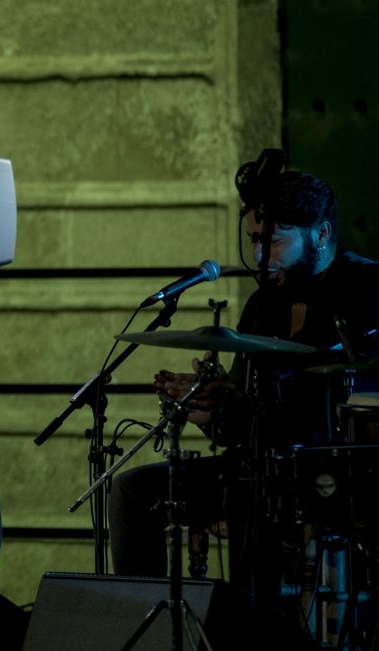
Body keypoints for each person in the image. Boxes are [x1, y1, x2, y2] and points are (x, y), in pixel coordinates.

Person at [109, 164, 379, 606]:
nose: (259, 256)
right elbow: (240, 420)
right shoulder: (261, 304)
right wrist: (208, 409)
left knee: (249, 493)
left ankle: (251, 638)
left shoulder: (368, 288)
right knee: (131, 490)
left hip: (334, 477)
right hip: (255, 468)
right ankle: (152, 636)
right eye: (255, 240)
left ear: (323, 233)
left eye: (274, 240)